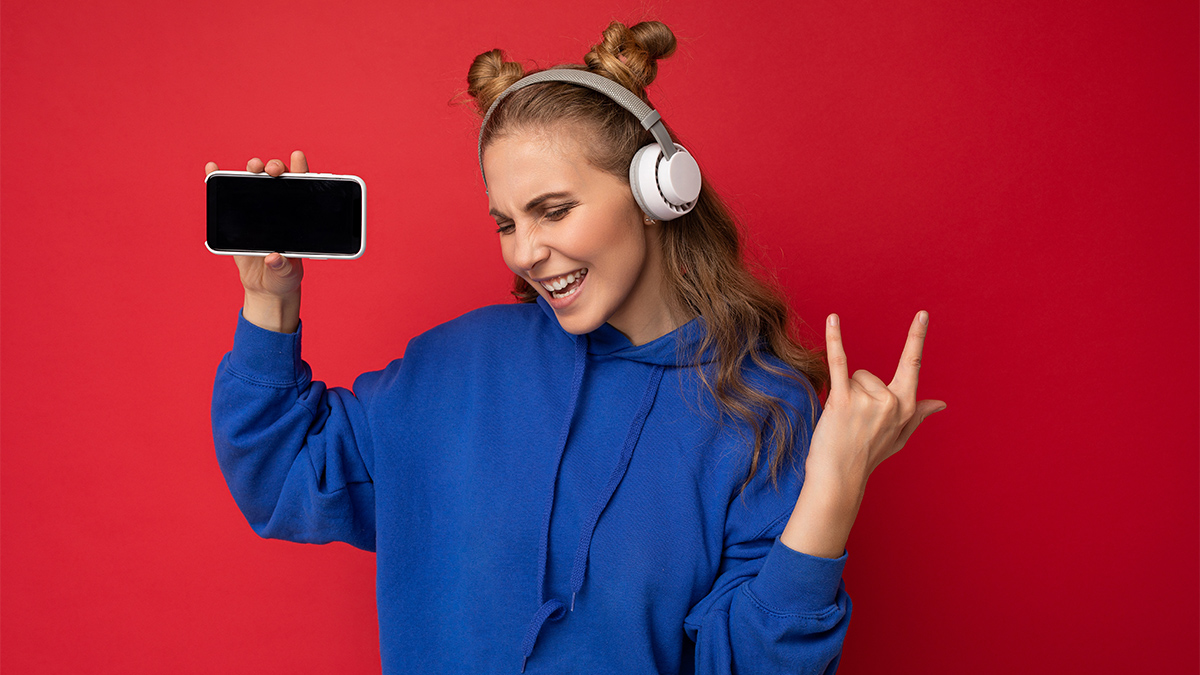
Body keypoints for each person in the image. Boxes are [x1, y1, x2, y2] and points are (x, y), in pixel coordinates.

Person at [207, 20, 946, 675]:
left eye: (553, 210)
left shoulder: (760, 405)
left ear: (659, 193)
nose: (527, 251)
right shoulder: (451, 368)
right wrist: (269, 300)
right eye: (506, 223)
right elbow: (283, 476)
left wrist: (834, 489)